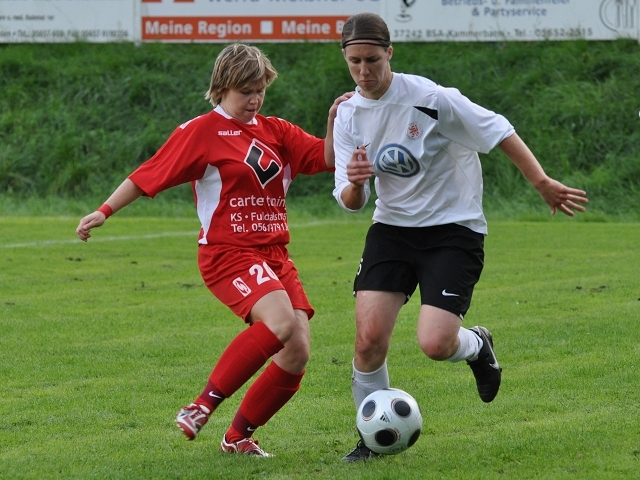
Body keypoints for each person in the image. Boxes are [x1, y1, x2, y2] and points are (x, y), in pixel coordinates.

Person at [332, 13, 589, 462]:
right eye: (355, 62)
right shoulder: (349, 115)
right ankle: (372, 439)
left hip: (454, 230)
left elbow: (499, 129)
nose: (364, 72)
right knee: (368, 340)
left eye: (372, 59)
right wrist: (355, 182)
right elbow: (351, 201)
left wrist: (542, 182)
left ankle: (477, 346)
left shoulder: (432, 98)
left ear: (390, 53)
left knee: (435, 344)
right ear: (346, 59)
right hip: (391, 229)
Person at [76, 43, 352, 457]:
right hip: (228, 253)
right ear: (222, 87)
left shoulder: (277, 130)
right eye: (246, 91)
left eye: (260, 90)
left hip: (275, 254)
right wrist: (104, 210)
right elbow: (148, 173)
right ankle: (201, 405)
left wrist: (335, 120)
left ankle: (237, 437)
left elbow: (327, 157)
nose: (255, 99)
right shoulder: (201, 131)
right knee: (279, 322)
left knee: (297, 352)